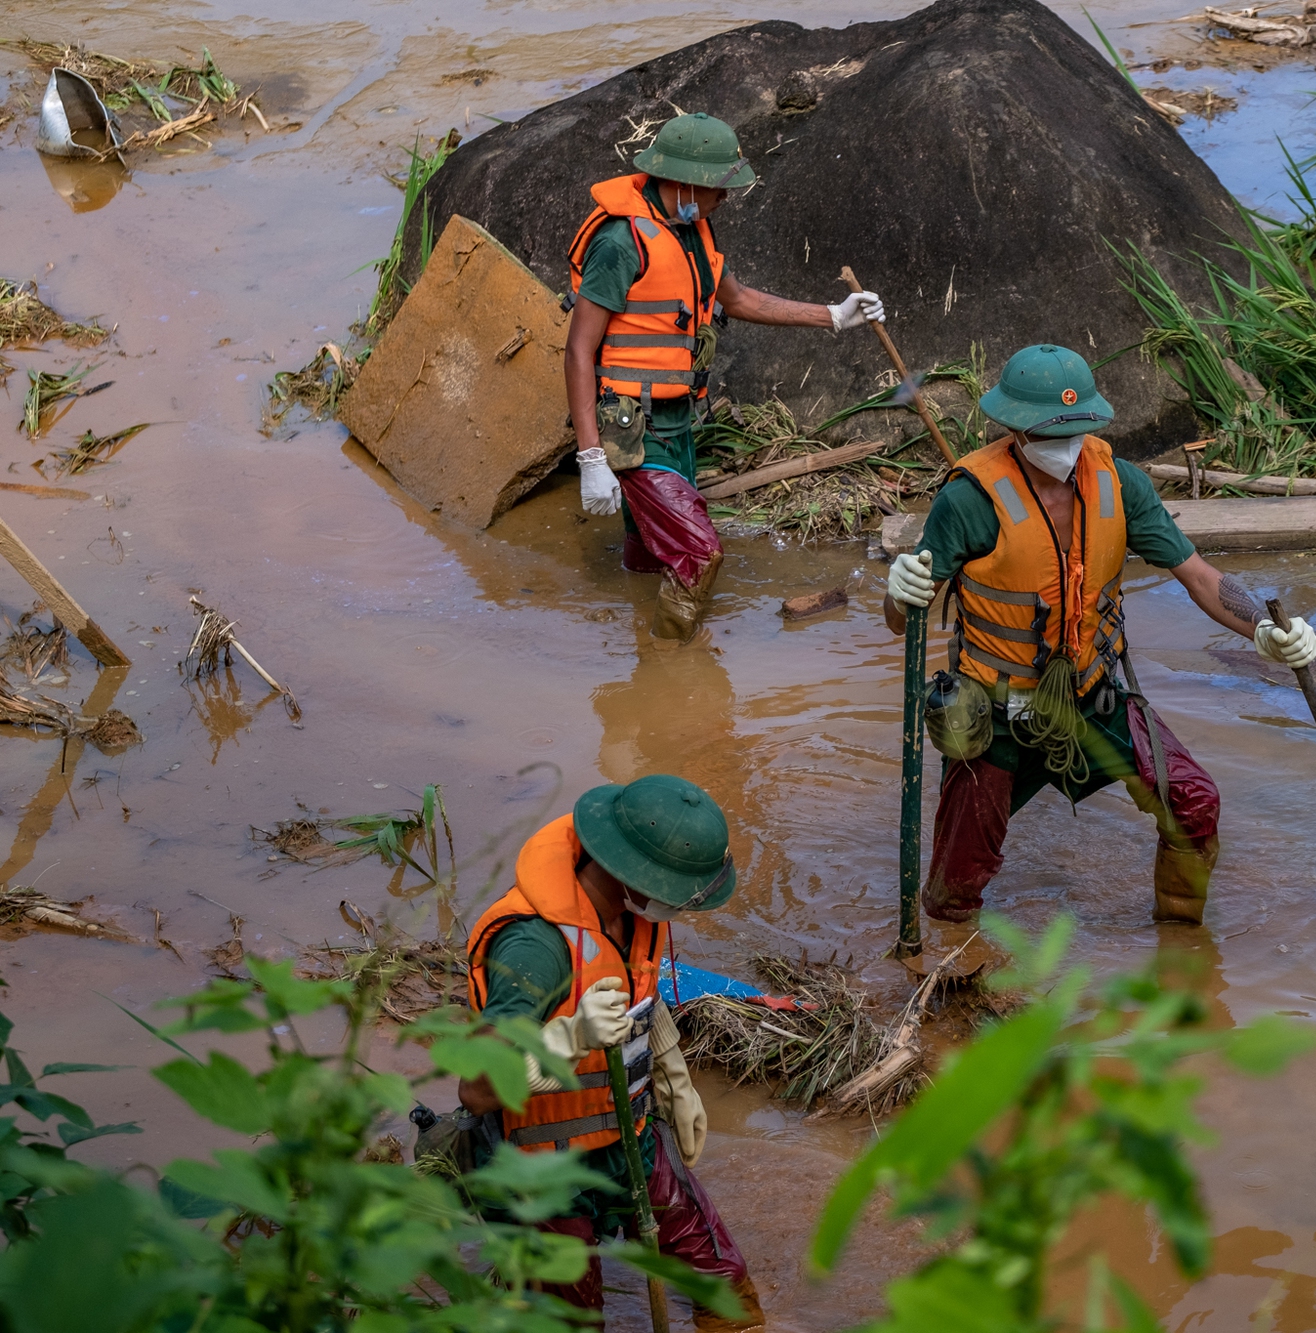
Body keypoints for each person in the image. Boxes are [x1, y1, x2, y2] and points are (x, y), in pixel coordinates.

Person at [883, 344, 1316, 928]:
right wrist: (902, 588)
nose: (1069, 445)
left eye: (1081, 428)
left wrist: (1263, 629)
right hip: (994, 709)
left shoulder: (1122, 484)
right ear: (1015, 427)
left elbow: (1197, 574)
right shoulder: (969, 500)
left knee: (1192, 806)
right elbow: (898, 620)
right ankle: (948, 983)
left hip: (1092, 694)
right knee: (953, 888)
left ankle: (1181, 950)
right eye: (1052, 431)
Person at [564, 112, 884, 638]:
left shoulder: (693, 229)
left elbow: (737, 298)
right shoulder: (621, 243)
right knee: (698, 554)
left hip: (676, 424)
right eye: (720, 188)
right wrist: (592, 456)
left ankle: (637, 652)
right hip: (631, 431)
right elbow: (579, 351)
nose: (727, 199)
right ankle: (673, 674)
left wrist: (831, 315)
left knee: (650, 554)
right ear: (686, 181)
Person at [459, 775, 761, 1329]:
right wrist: (570, 1038)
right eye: (677, 894)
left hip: (629, 1135)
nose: (682, 910)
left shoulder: (633, 915)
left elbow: (638, 990)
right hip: (540, 1161)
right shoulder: (535, 949)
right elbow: (477, 1089)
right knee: (570, 1320)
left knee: (724, 1286)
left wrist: (674, 1075)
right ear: (632, 876)